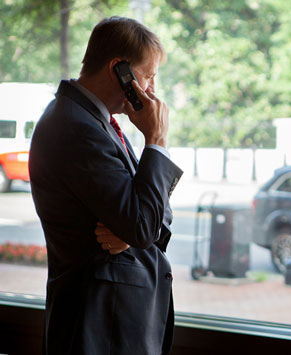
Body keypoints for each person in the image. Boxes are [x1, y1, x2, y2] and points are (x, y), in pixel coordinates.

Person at [29, 16, 182, 355]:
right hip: (100, 328)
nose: (152, 89)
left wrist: (135, 230)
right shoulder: (76, 128)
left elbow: (153, 219)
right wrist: (156, 139)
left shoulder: (97, 122)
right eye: (148, 75)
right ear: (119, 70)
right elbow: (144, 225)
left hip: (110, 324)